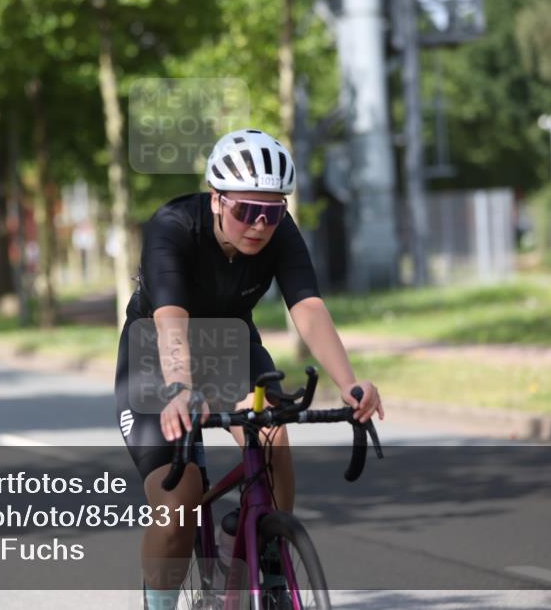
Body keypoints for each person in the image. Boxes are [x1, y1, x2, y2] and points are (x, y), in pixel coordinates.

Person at [114, 129, 384, 609]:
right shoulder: (172, 226)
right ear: (217, 200)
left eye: (273, 211)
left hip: (230, 347)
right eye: (246, 210)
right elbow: (170, 317)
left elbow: (308, 307)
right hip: (157, 354)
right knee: (178, 505)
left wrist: (350, 383)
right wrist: (180, 387)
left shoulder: (280, 233)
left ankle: (265, 546)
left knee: (273, 435)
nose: (260, 224)